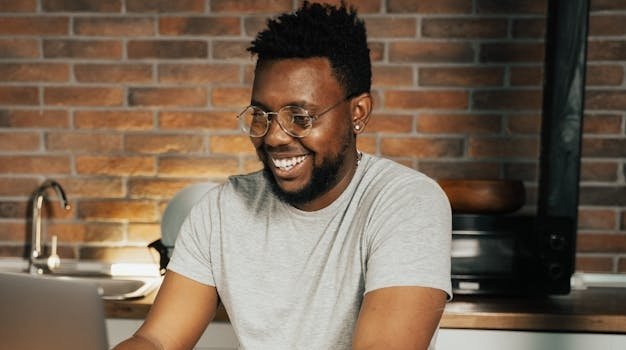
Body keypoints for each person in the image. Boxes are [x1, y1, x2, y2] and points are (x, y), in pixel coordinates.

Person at [113, 2, 451, 349]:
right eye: (262, 114)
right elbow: (155, 339)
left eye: (300, 117)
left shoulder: (408, 203)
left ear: (358, 113)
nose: (273, 136)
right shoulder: (220, 211)